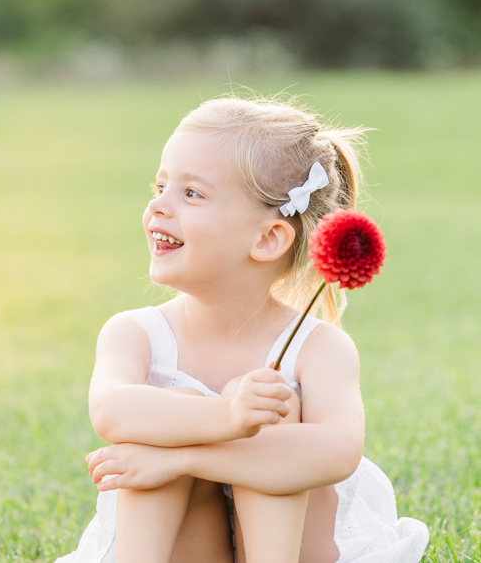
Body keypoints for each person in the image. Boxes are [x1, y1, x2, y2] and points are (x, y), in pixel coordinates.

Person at [56, 96, 429, 563]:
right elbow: (112, 411)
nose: (158, 208)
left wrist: (186, 457)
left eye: (191, 193)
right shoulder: (134, 334)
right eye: (159, 187)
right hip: (190, 543)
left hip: (292, 549)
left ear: (268, 239)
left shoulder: (320, 348)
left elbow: (337, 451)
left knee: (275, 403)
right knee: (170, 409)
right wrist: (223, 418)